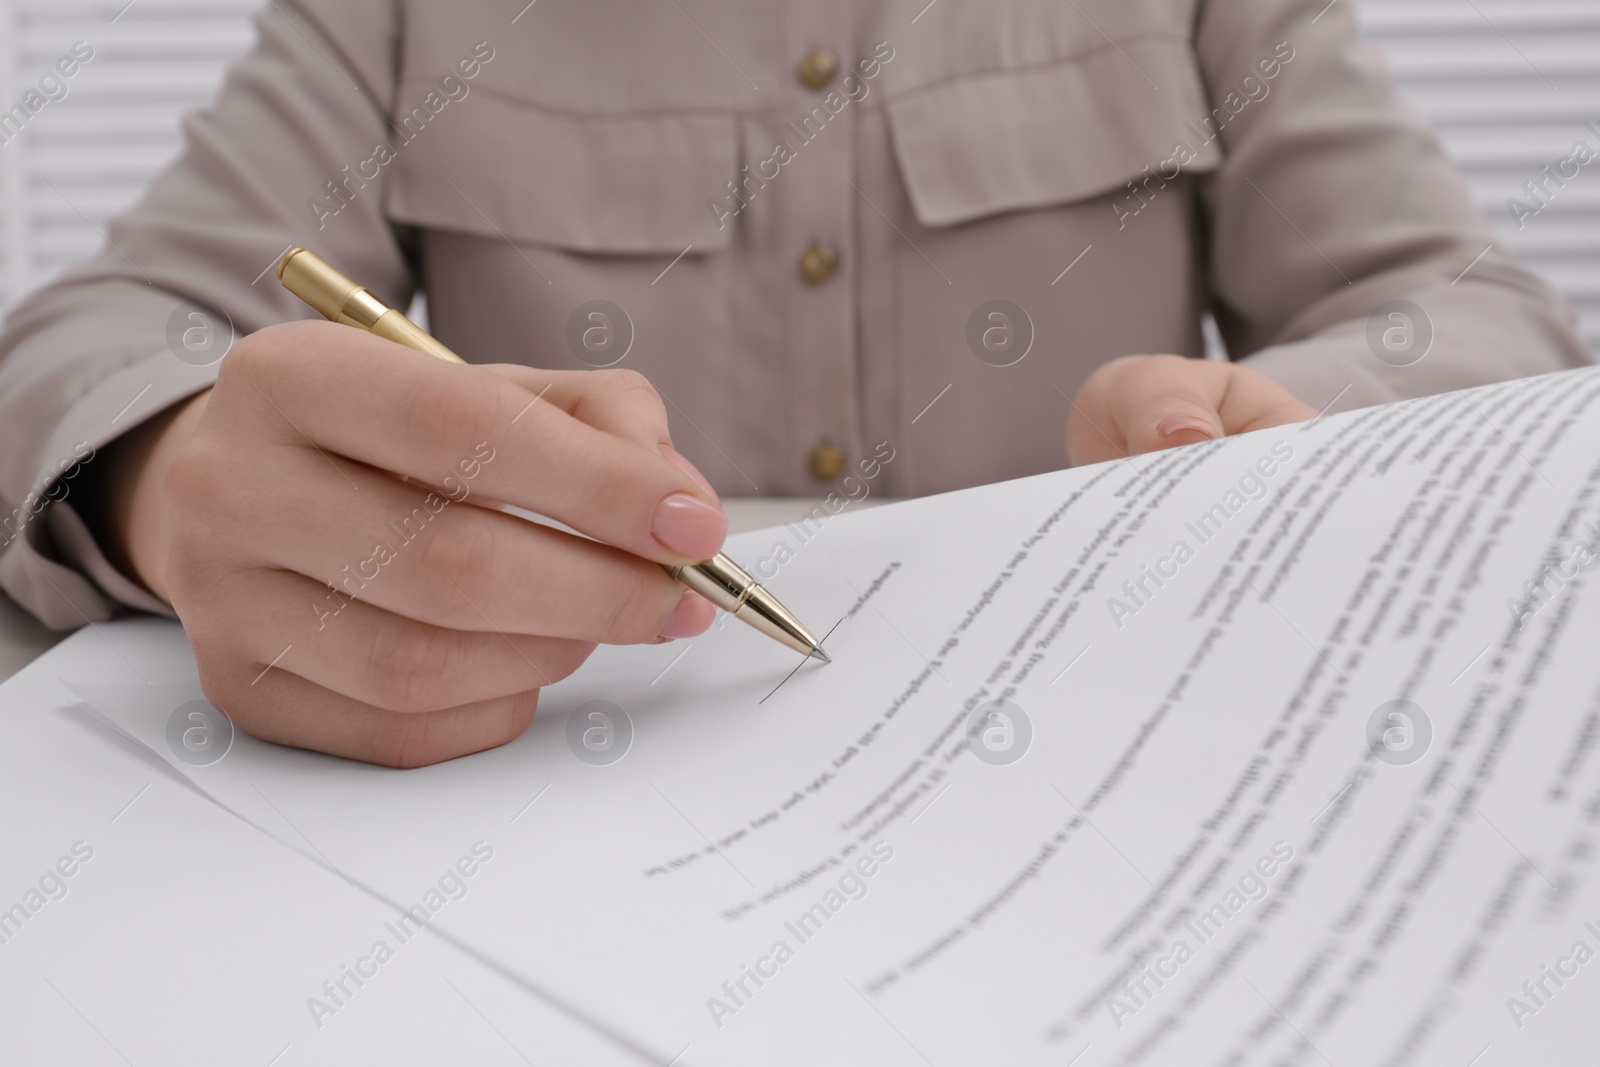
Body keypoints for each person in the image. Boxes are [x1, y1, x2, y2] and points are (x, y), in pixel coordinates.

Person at [0, 0, 1588, 766]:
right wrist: (166, 466)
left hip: (1104, 771)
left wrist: (1277, 436)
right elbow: (107, 326)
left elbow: (1466, 306)